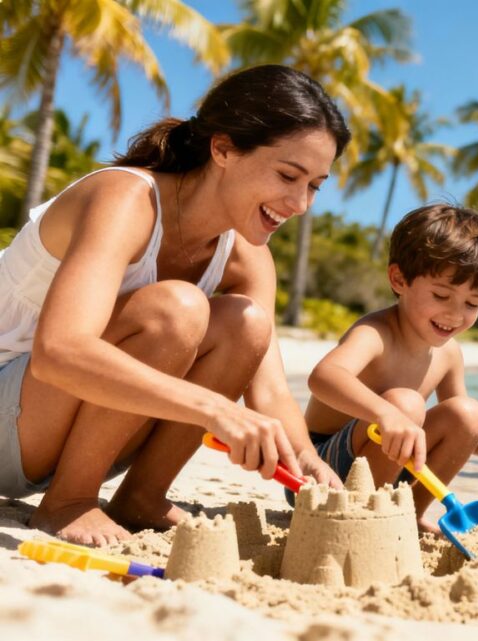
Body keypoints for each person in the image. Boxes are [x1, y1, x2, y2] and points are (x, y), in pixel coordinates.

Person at [0, 64, 348, 545]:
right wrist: (212, 411)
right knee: (176, 310)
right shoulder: (125, 198)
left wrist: (308, 459)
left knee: (246, 324)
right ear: (223, 148)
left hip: (53, 434)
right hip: (10, 413)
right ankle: (68, 501)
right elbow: (60, 351)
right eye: (288, 175)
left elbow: (269, 393)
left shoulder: (249, 256)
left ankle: (141, 497)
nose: (300, 203)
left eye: (314, 185)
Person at [304, 204, 478, 532]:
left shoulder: (449, 354)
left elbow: (465, 431)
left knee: (468, 412)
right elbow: (324, 377)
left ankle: (409, 515)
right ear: (399, 279)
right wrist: (385, 414)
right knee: (405, 404)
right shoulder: (376, 333)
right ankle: (358, 518)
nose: (455, 314)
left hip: (389, 464)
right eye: (441, 295)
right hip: (322, 472)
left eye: (472, 304)